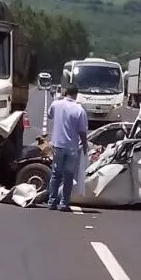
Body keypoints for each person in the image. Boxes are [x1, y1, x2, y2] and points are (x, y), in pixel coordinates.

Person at [47, 82, 88, 211]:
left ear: (65, 92)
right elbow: (82, 131)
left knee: (55, 174)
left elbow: (49, 115)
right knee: (68, 177)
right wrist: (85, 145)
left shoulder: (56, 104)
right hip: (72, 147)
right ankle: (64, 204)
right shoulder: (79, 110)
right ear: (77, 94)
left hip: (57, 145)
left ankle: (51, 202)